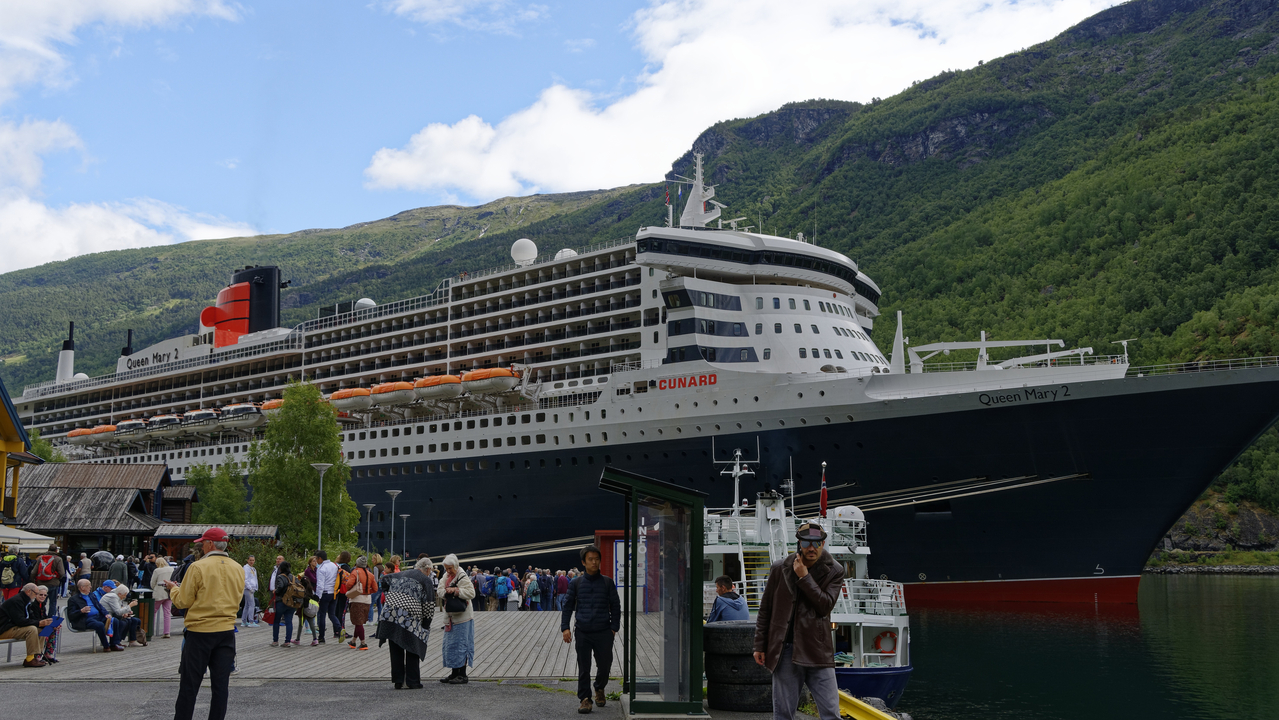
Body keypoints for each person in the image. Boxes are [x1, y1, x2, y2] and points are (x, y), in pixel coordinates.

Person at [753, 522, 845, 720]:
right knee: (784, 714)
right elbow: (766, 610)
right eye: (806, 542)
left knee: (831, 712)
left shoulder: (835, 571)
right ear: (799, 543)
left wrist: (804, 578)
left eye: (817, 543)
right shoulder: (779, 568)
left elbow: (825, 606)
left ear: (823, 543)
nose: (811, 548)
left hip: (818, 650)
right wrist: (759, 645)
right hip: (785, 649)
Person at [167, 527, 245, 720]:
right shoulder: (238, 567)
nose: (201, 546)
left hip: (200, 631)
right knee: (220, 686)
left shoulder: (198, 567)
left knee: (189, 685)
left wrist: (173, 590)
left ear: (210, 544)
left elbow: (183, 601)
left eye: (202, 543)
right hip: (226, 630)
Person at [561, 545, 621, 714]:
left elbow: (616, 606)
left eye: (597, 559)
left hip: (604, 631)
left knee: (605, 665)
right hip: (583, 631)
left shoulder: (608, 582)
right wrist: (565, 627)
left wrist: (613, 628)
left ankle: (599, 687)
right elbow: (567, 606)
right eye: (590, 559)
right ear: (583, 563)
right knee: (584, 667)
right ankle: (585, 699)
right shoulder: (576, 583)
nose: (594, 562)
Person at [377, 557, 436, 690]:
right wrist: (426, 624)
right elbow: (429, 604)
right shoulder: (425, 579)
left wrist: (390, 595)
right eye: (430, 571)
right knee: (412, 647)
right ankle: (413, 681)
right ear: (427, 569)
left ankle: (398, 681)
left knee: (395, 647)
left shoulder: (400, 573)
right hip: (409, 616)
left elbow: (384, 580)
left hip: (389, 614)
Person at [438, 554, 476, 684]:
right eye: (446, 568)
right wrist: (446, 592)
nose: (448, 571)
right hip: (450, 617)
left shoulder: (463, 576)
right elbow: (439, 590)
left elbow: (471, 593)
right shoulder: (445, 576)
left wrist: (456, 591)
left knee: (462, 645)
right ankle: (454, 673)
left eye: (450, 568)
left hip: (462, 617)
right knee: (451, 645)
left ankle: (462, 674)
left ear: (455, 566)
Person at [0, 582, 52, 666]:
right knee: (31, 629)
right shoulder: (16, 601)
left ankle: (37, 656)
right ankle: (29, 659)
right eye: (36, 593)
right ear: (28, 591)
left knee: (43, 629)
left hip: (13, 627)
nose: (36, 596)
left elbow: (31, 618)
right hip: (4, 629)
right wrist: (39, 623)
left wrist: (45, 623)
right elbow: (20, 621)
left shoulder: (26, 601)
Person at [67, 578, 117, 651]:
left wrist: (106, 613)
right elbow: (71, 615)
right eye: (88, 585)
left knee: (114, 620)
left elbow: (99, 606)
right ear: (82, 587)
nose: (90, 587)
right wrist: (81, 611)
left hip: (98, 616)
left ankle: (114, 644)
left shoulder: (91, 595)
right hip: (85, 619)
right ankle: (106, 646)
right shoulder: (73, 599)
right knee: (99, 625)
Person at [346, 556, 377, 650]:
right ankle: (353, 641)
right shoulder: (370, 574)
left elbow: (348, 585)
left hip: (357, 599)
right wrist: (367, 591)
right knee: (359, 622)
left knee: (358, 622)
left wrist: (357, 590)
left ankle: (363, 643)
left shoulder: (355, 572)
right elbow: (375, 589)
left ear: (357, 564)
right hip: (367, 600)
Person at [30, 584, 62, 663]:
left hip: (39, 624)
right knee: (46, 630)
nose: (43, 596)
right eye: (41, 594)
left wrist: (53, 623)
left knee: (53, 628)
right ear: (36, 595)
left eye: (45, 595)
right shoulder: (32, 605)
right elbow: (34, 619)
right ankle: (38, 655)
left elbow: (44, 617)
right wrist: (47, 623)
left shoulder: (42, 605)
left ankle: (47, 653)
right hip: (32, 626)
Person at [32, 544, 65, 617]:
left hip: (41, 583)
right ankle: (50, 619)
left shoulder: (41, 558)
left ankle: (40, 616)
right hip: (53, 583)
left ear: (48, 550)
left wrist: (33, 581)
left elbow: (33, 572)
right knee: (53, 602)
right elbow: (62, 573)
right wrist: (58, 579)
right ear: (56, 550)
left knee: (41, 601)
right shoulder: (58, 559)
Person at [315, 550, 340, 644]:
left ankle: (321, 637)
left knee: (322, 615)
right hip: (334, 593)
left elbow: (320, 585)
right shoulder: (335, 566)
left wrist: (318, 597)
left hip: (325, 593)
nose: (316, 561)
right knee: (332, 614)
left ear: (320, 558)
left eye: (317, 559)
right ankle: (339, 628)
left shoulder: (321, 568)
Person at [271, 561, 297, 648]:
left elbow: (280, 586)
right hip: (292, 602)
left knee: (276, 620)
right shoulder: (293, 577)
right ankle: (287, 641)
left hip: (281, 601)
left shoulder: (280, 577)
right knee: (289, 621)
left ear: (281, 568)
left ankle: (275, 640)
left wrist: (276, 591)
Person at [151, 556, 176, 638]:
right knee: (167, 613)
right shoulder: (171, 569)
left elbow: (152, 583)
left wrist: (154, 588)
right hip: (169, 593)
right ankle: (167, 632)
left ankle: (150, 630)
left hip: (159, 593)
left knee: (153, 612)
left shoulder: (157, 571)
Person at [242, 555, 259, 628]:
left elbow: (254, 579)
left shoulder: (253, 569)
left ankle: (244, 621)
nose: (251, 562)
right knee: (252, 604)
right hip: (248, 589)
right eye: (250, 560)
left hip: (252, 588)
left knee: (247, 605)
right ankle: (251, 621)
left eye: (253, 560)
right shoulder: (246, 568)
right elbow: (245, 579)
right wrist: (250, 587)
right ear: (247, 560)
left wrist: (255, 587)